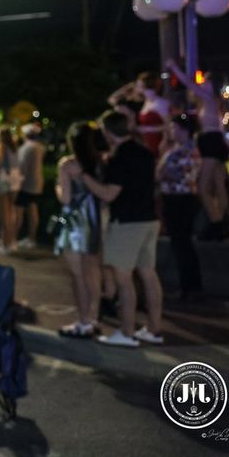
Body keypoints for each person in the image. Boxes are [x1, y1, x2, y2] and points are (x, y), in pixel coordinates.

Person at [80, 111, 164, 347]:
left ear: (108, 132)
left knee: (123, 279)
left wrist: (85, 177)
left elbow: (109, 193)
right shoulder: (145, 153)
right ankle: (154, 329)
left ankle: (126, 333)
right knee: (148, 274)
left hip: (127, 223)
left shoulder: (119, 158)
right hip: (149, 219)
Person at [54, 123, 104, 338]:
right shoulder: (100, 163)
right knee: (93, 271)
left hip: (74, 222)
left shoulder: (68, 164)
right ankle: (93, 317)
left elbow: (65, 198)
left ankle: (83, 322)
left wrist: (57, 187)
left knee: (77, 275)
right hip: (93, 219)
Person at [156, 114, 203, 299]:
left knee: (182, 243)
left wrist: (162, 173)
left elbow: (168, 174)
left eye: (173, 128)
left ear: (184, 130)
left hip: (180, 199)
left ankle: (189, 287)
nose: (170, 131)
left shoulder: (187, 150)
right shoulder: (176, 148)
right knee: (180, 243)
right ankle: (190, 285)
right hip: (175, 198)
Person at [0, 125, 20, 255]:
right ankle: (11, 241)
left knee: (3, 214)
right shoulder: (13, 147)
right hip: (14, 178)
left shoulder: (0, 146)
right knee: (11, 212)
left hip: (2, 179)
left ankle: (4, 243)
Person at [14, 123, 45, 250]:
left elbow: (22, 168)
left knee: (19, 211)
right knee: (33, 210)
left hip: (26, 184)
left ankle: (13, 237)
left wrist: (18, 182)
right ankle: (32, 237)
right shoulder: (39, 147)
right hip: (36, 183)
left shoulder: (26, 148)